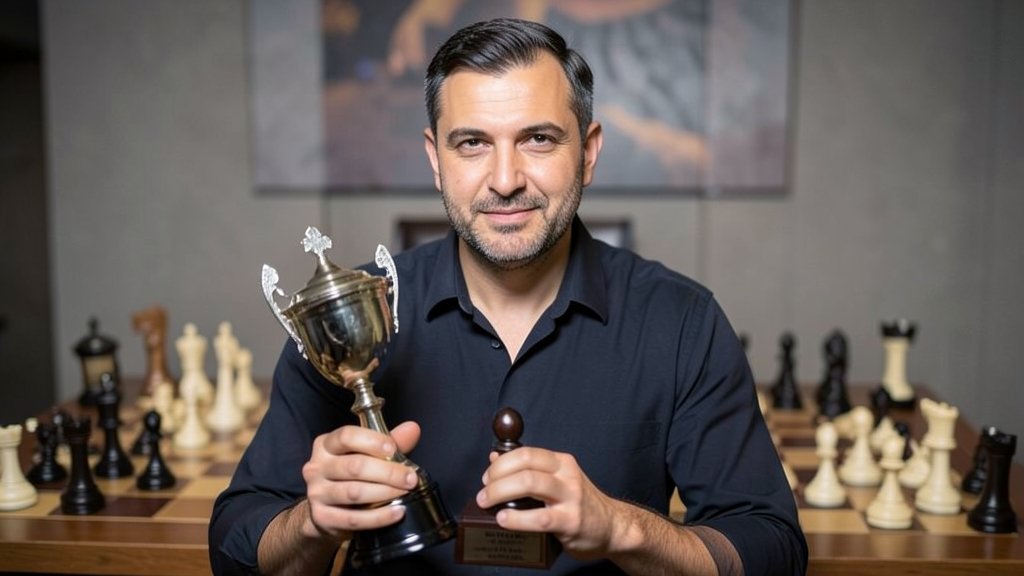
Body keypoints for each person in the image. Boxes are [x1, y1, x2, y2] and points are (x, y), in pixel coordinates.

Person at [210, 17, 807, 575]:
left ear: (590, 152)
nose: (504, 180)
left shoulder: (682, 322)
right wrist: (314, 523)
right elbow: (235, 545)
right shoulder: (345, 319)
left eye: (538, 139)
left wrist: (622, 527)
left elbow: (772, 547)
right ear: (435, 159)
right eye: (471, 143)